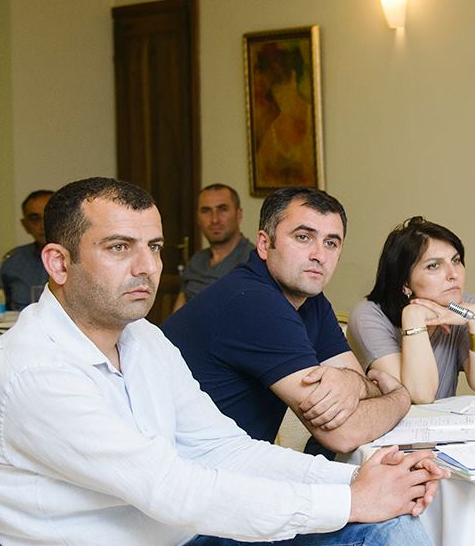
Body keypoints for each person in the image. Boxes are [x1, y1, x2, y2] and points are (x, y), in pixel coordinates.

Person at [0, 177, 475, 546]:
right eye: (119, 247)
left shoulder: (142, 339)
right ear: (59, 262)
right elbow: (174, 490)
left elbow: (224, 448)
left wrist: (360, 484)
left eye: (154, 247)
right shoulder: (31, 372)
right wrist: (351, 500)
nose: (146, 267)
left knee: (388, 529)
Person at [162, 187, 411, 454]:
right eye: (303, 237)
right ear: (264, 244)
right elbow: (343, 433)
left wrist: (354, 383)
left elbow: (355, 395)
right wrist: (400, 397)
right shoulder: (254, 302)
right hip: (179, 468)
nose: (319, 255)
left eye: (331, 243)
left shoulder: (311, 300)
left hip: (229, 460)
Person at [348, 217, 475, 404]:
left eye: (456, 260)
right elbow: (418, 397)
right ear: (405, 282)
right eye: (433, 266)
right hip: (393, 422)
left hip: (445, 422)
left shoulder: (464, 306)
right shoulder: (368, 317)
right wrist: (413, 316)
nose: (453, 274)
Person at [173, 183, 254, 310]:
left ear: (238, 214)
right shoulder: (195, 261)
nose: (215, 219)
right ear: (198, 218)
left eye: (223, 209)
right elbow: (177, 312)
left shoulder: (253, 261)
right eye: (206, 211)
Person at [0, 189, 53, 310]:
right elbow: (0, 310)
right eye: (35, 218)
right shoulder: (13, 260)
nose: (43, 225)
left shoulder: (83, 257)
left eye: (49, 216)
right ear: (25, 225)